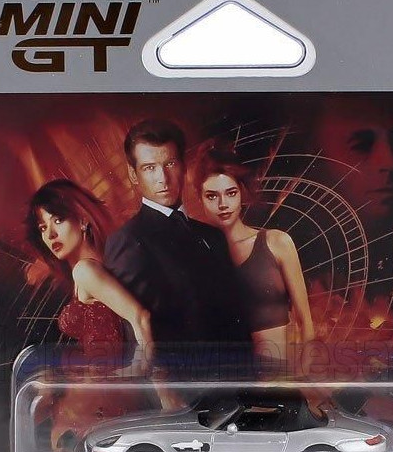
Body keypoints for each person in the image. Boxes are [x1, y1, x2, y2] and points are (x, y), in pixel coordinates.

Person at [104, 120, 250, 358]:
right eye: (149, 168)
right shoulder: (127, 240)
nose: (162, 178)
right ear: (133, 174)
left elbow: (237, 322)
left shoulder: (213, 236)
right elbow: (140, 334)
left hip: (235, 375)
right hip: (180, 379)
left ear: (183, 166)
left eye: (170, 163)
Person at [194, 143, 315, 373]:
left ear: (241, 193)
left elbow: (305, 322)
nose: (223, 204)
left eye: (231, 193)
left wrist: (303, 375)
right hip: (225, 377)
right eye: (211, 196)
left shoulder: (276, 243)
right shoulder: (197, 256)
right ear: (200, 199)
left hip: (279, 376)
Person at [27, 179, 153, 362]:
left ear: (82, 219)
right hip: (102, 373)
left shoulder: (84, 270)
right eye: (43, 227)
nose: (50, 234)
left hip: (112, 374)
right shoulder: (94, 266)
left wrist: (140, 368)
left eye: (58, 220)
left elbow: (140, 317)